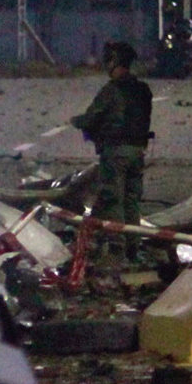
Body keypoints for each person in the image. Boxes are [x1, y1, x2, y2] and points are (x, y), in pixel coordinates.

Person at [70, 41, 153, 260]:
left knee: (113, 200)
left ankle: (118, 247)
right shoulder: (143, 90)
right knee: (131, 201)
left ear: (113, 62)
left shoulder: (111, 90)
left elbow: (92, 117)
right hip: (138, 152)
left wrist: (76, 121)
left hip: (116, 152)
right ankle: (134, 246)